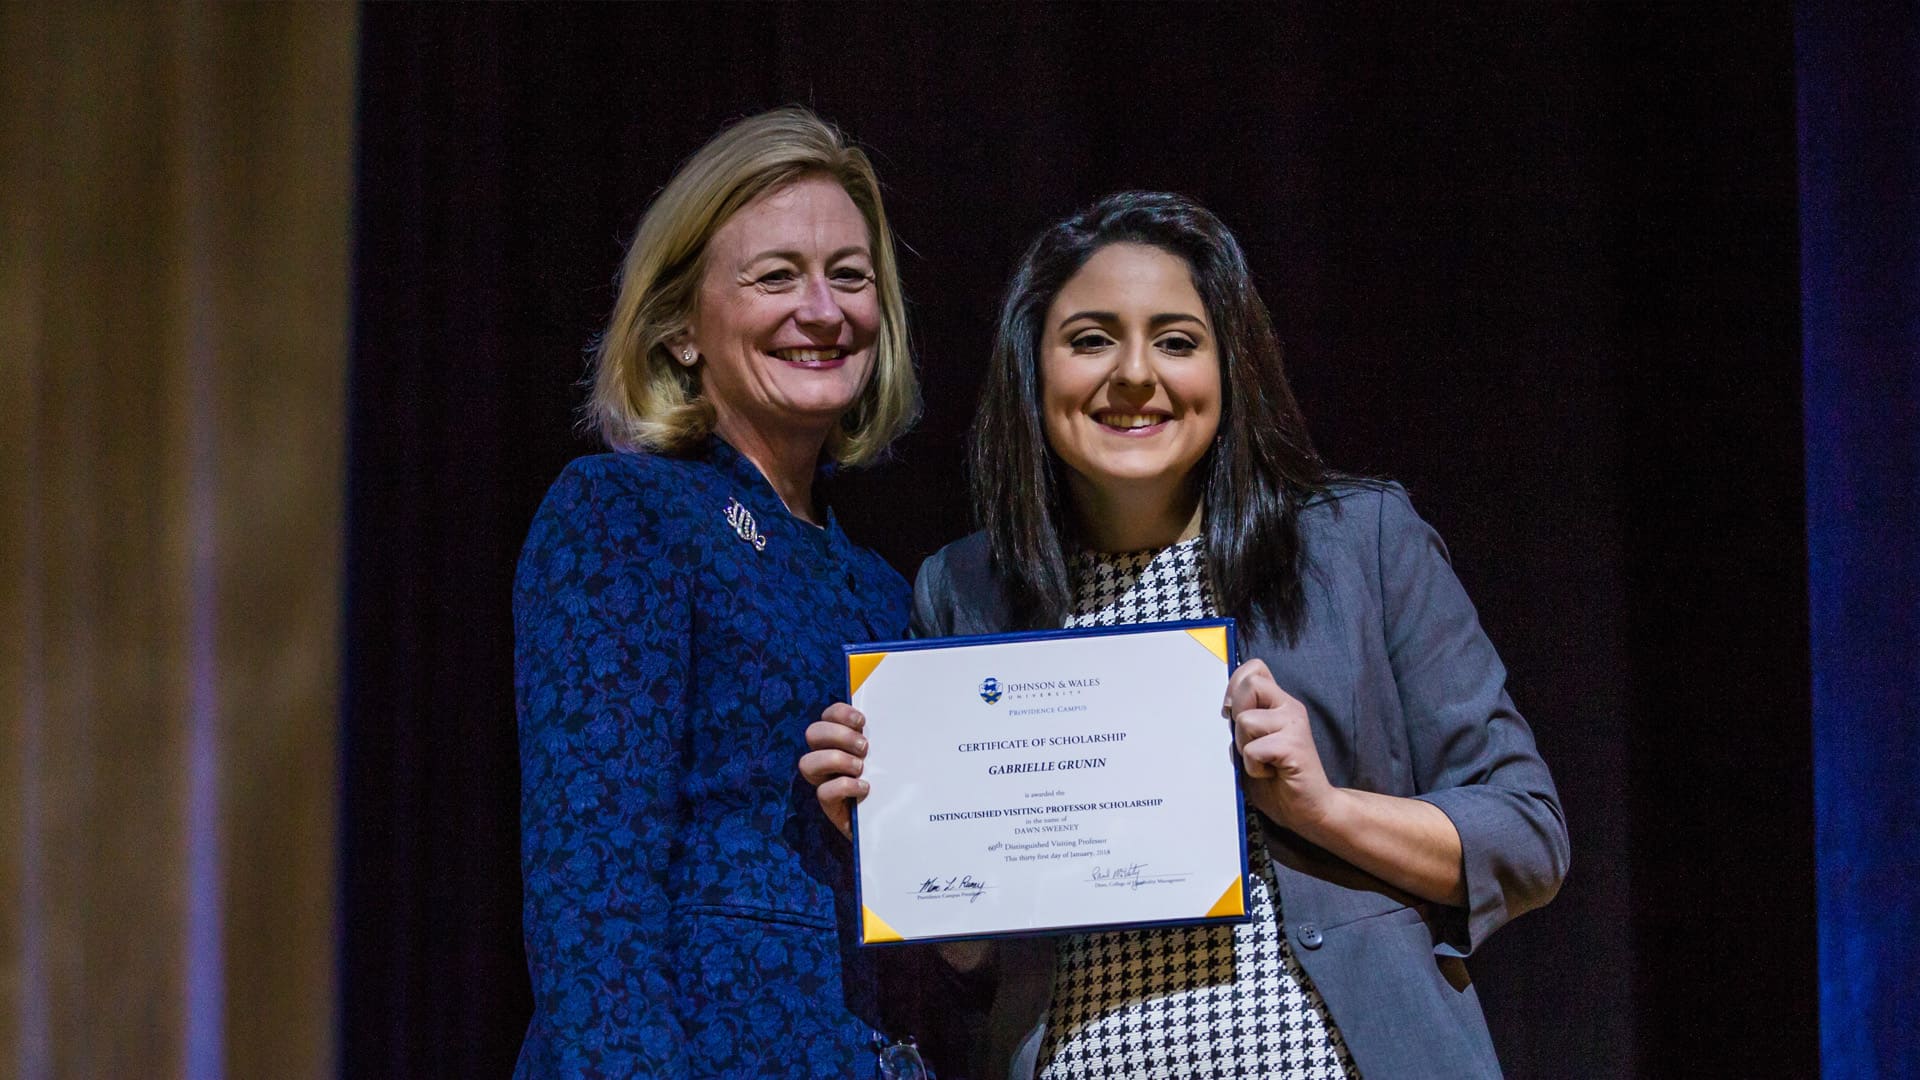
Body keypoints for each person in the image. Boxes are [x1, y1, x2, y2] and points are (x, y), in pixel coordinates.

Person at [802, 192, 1569, 1079]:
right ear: (1032, 370)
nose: (1135, 374)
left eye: (1176, 340)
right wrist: (902, 841)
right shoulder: (964, 591)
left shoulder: (1361, 542)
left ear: (1228, 368)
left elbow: (1526, 832)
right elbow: (982, 964)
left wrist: (1321, 809)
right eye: (1091, 339)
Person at [513, 107, 924, 1078]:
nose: (822, 310)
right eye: (775, 274)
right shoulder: (625, 515)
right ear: (679, 329)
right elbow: (591, 893)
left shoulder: (886, 592)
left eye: (850, 276)